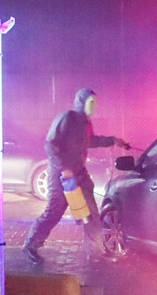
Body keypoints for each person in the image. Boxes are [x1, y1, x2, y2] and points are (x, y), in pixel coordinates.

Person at [24, 87, 127, 263]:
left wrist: (113, 140)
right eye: (91, 102)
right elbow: (51, 144)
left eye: (95, 102)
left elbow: (90, 141)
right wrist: (64, 168)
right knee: (55, 210)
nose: (94, 106)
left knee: (91, 212)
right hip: (60, 174)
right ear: (81, 102)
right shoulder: (67, 118)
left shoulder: (85, 123)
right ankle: (31, 244)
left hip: (79, 172)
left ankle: (97, 250)